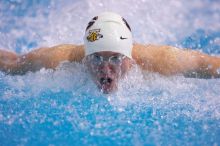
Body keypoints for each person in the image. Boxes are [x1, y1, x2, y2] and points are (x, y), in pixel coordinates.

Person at [0, 12, 220, 93]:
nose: (105, 69)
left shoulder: (163, 61)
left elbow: (212, 66)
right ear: (85, 56)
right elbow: (11, 62)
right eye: (96, 57)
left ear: (129, 56)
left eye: (116, 58)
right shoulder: (59, 58)